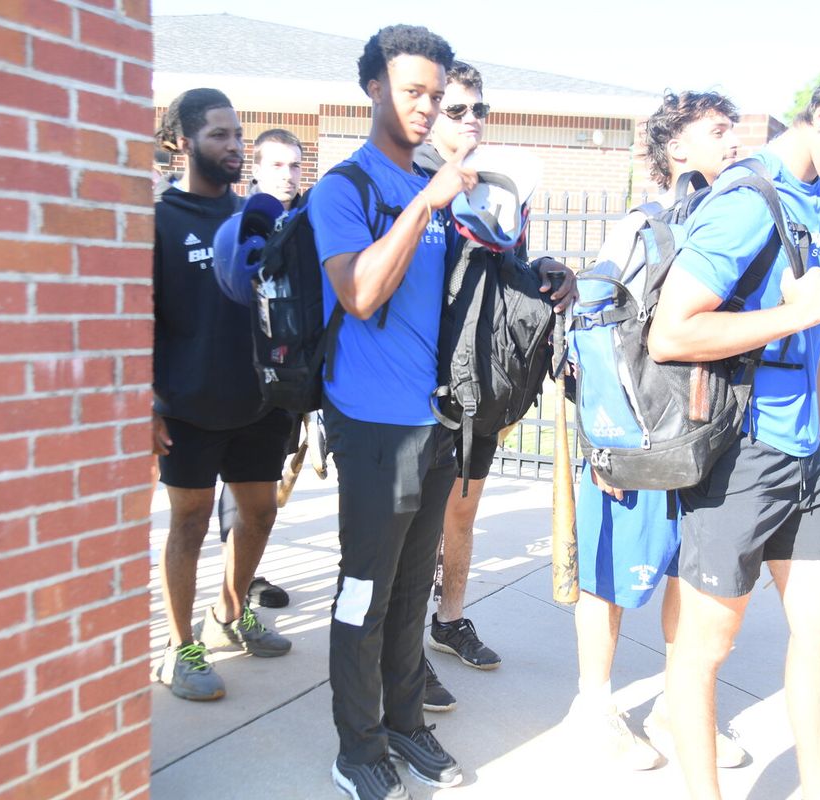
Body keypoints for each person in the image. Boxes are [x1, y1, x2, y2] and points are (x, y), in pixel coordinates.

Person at [647, 53, 820, 799]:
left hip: (806, 458)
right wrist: (795, 312)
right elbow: (670, 333)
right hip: (740, 456)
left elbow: (808, 352)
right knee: (706, 646)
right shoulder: (748, 199)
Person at [307, 25, 474, 799]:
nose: (426, 107)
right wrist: (424, 206)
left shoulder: (434, 187)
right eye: (413, 91)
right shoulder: (346, 188)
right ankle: (357, 744)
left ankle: (405, 721)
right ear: (374, 86)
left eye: (436, 96)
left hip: (434, 420)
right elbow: (361, 292)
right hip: (372, 427)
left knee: (413, 590)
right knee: (365, 591)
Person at [568, 90, 749, 772]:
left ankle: (678, 709)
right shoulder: (639, 225)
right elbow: (592, 322)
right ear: (677, 147)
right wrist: (609, 440)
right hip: (636, 432)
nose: (732, 141)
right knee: (608, 575)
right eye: (717, 130)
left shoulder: (727, 220)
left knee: (689, 571)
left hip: (702, 432)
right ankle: (595, 708)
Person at [413, 61, 576, 713]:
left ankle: (448, 620)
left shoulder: (500, 187)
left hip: (481, 383)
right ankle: (398, 652)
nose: (472, 121)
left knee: (460, 510)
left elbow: (504, 264)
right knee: (410, 525)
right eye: (457, 110)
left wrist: (544, 267)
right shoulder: (411, 184)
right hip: (421, 387)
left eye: (478, 109)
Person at [151, 88, 293, 702]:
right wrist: (145, 400)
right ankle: (180, 648)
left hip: (260, 402)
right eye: (218, 135)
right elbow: (132, 319)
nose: (234, 146)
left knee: (260, 515)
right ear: (184, 141)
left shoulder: (258, 218)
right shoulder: (158, 219)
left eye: (238, 135)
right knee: (188, 523)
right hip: (188, 406)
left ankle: (230, 615)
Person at [215, 127, 311, 611]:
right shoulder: (236, 222)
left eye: (294, 165)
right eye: (277, 165)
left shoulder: (309, 221)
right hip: (238, 375)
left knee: (269, 481)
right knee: (242, 483)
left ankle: (247, 572)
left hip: (290, 375)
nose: (288, 174)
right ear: (255, 170)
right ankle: (238, 588)